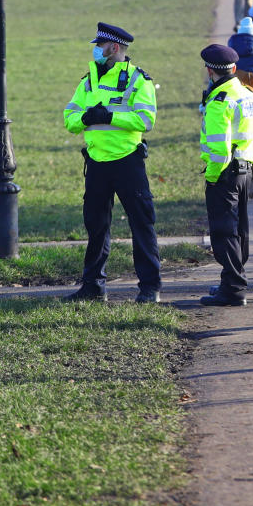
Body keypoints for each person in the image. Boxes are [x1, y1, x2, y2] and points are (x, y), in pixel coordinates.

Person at [62, 23, 161, 303]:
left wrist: (109, 117)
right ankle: (93, 286)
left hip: (127, 162)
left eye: (100, 45)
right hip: (96, 164)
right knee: (96, 226)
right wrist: (86, 118)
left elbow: (146, 120)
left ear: (113, 48)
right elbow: (69, 118)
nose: (96, 50)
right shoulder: (88, 80)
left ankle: (149, 288)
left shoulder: (137, 80)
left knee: (142, 224)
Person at [198, 44, 253, 306]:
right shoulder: (248, 96)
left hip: (225, 174)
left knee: (224, 233)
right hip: (246, 170)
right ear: (234, 69)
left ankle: (234, 290)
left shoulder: (219, 101)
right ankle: (230, 280)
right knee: (239, 231)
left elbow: (219, 148)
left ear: (209, 70)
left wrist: (213, 177)